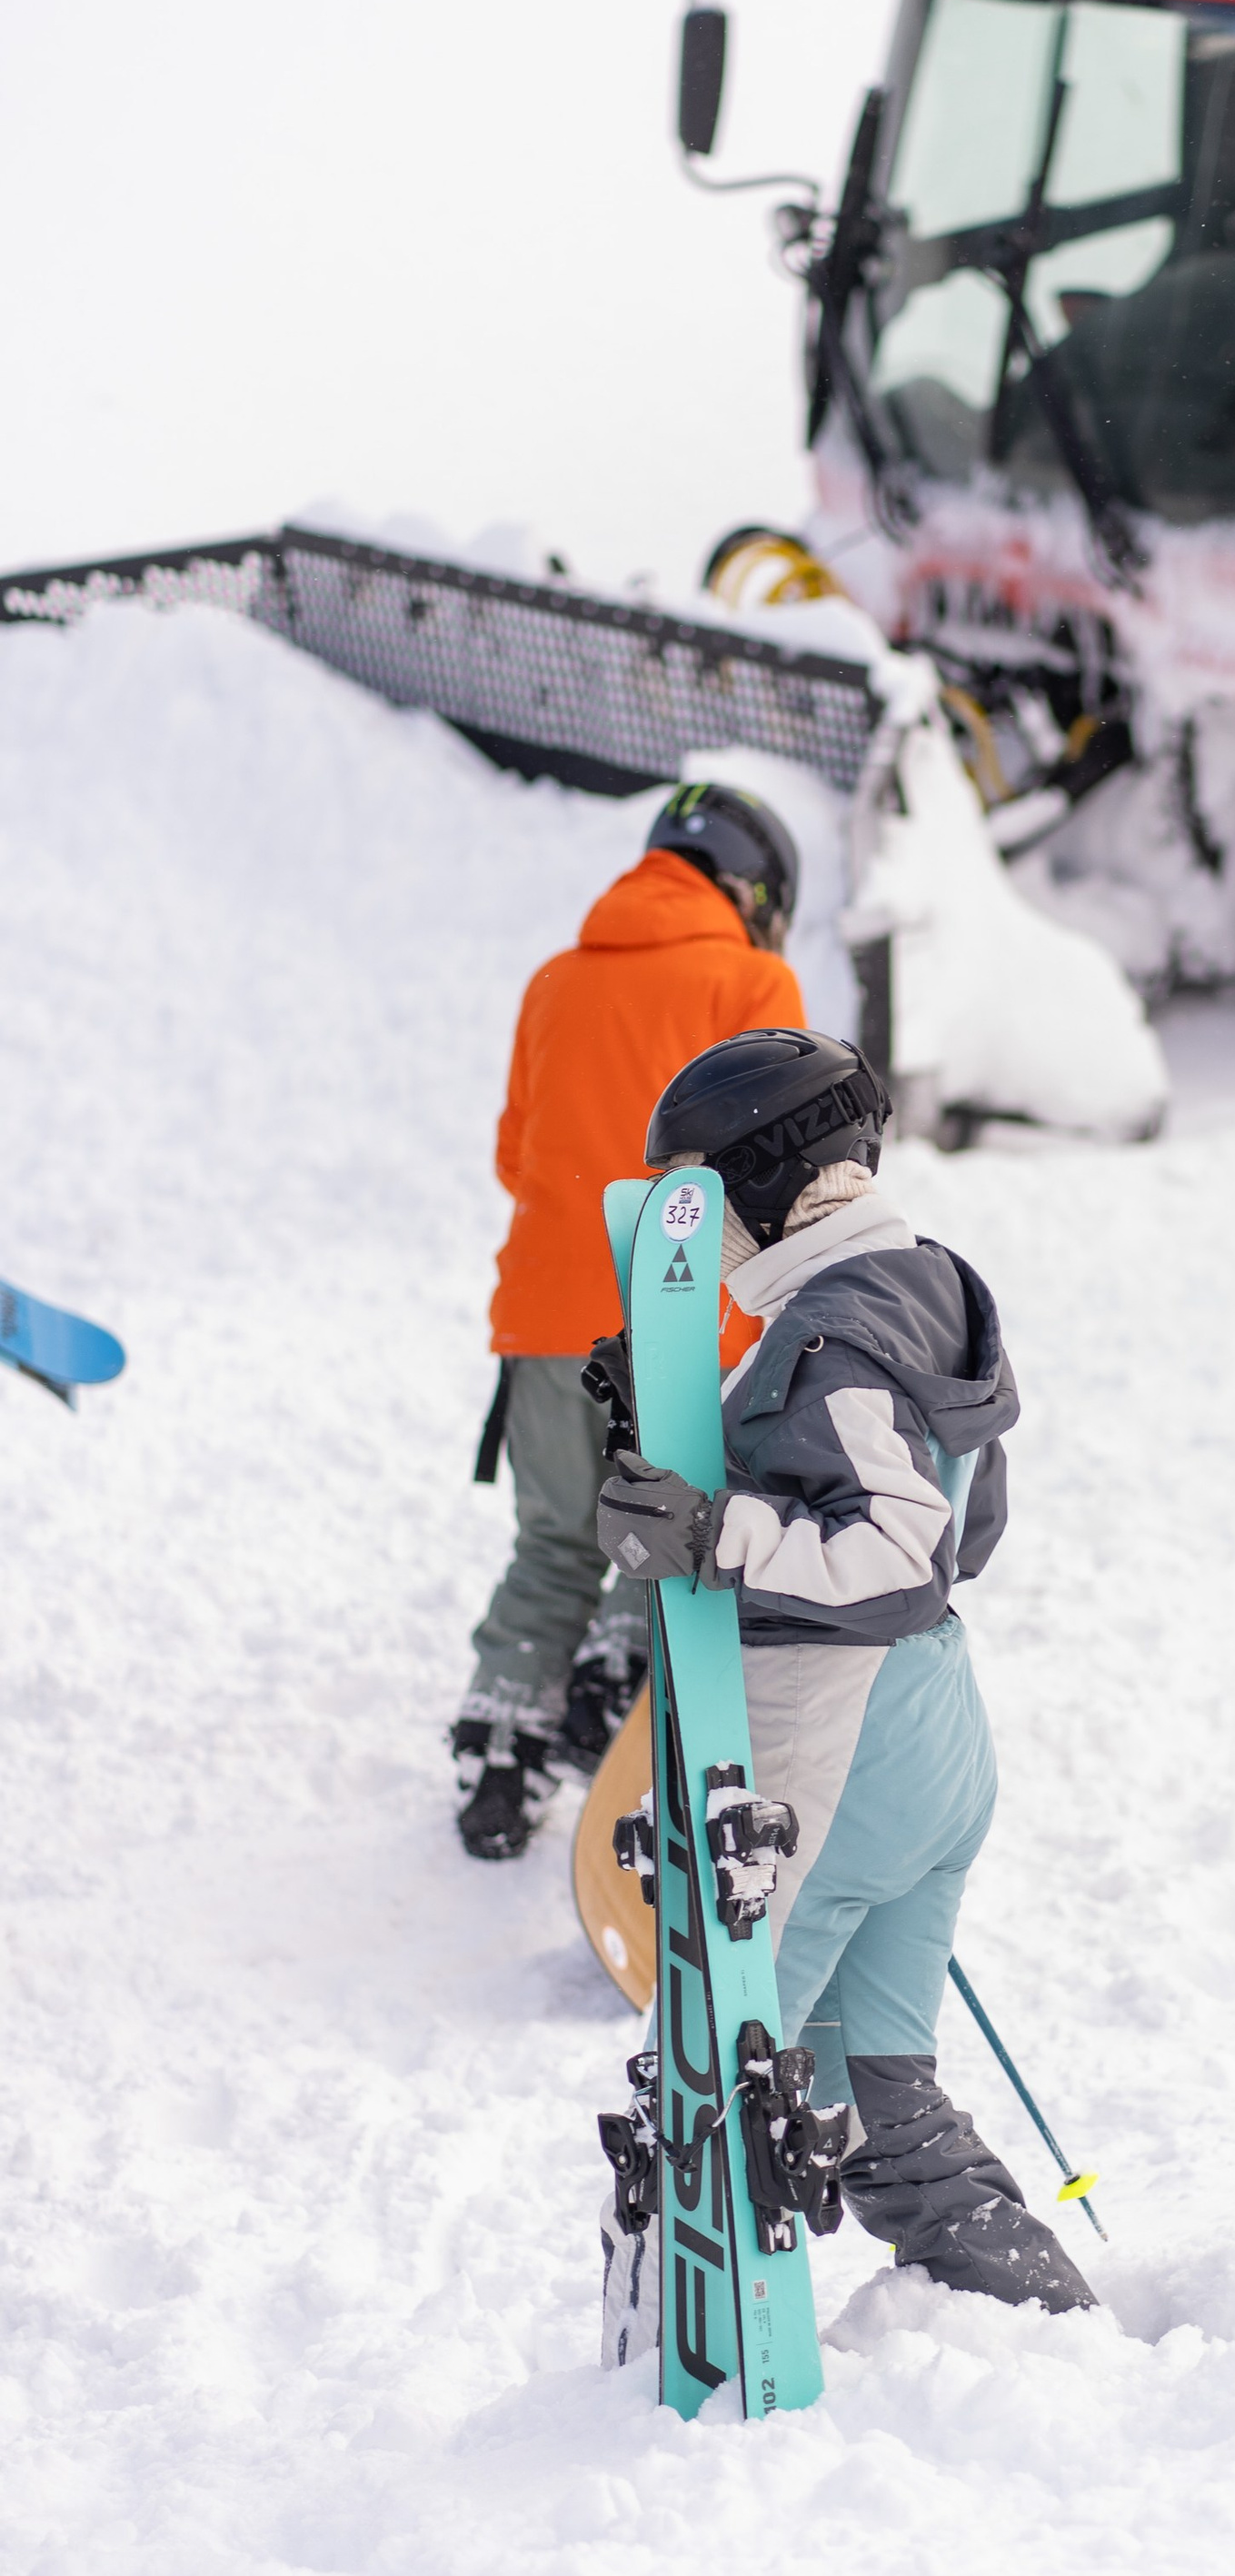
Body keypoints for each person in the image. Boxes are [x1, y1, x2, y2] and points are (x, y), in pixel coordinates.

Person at [594, 1026, 1097, 2315]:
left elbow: (896, 1551)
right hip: (934, 1740)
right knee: (878, 2088)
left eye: (704, 1200)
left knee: (726, 2076)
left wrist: (717, 1535)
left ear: (768, 1178)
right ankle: (1036, 2319)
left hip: (842, 1759)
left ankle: (712, 2330)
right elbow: (965, 1524)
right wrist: (684, 1440)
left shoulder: (829, 1336)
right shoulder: (930, 1286)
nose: (701, 1241)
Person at [453, 781, 806, 1856]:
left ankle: (501, 1743)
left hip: (540, 1324)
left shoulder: (556, 980)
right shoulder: (753, 979)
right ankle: (621, 1680)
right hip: (674, 1322)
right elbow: (776, 1170)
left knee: (554, 1541)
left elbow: (518, 1156)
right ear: (751, 890)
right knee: (665, 1541)